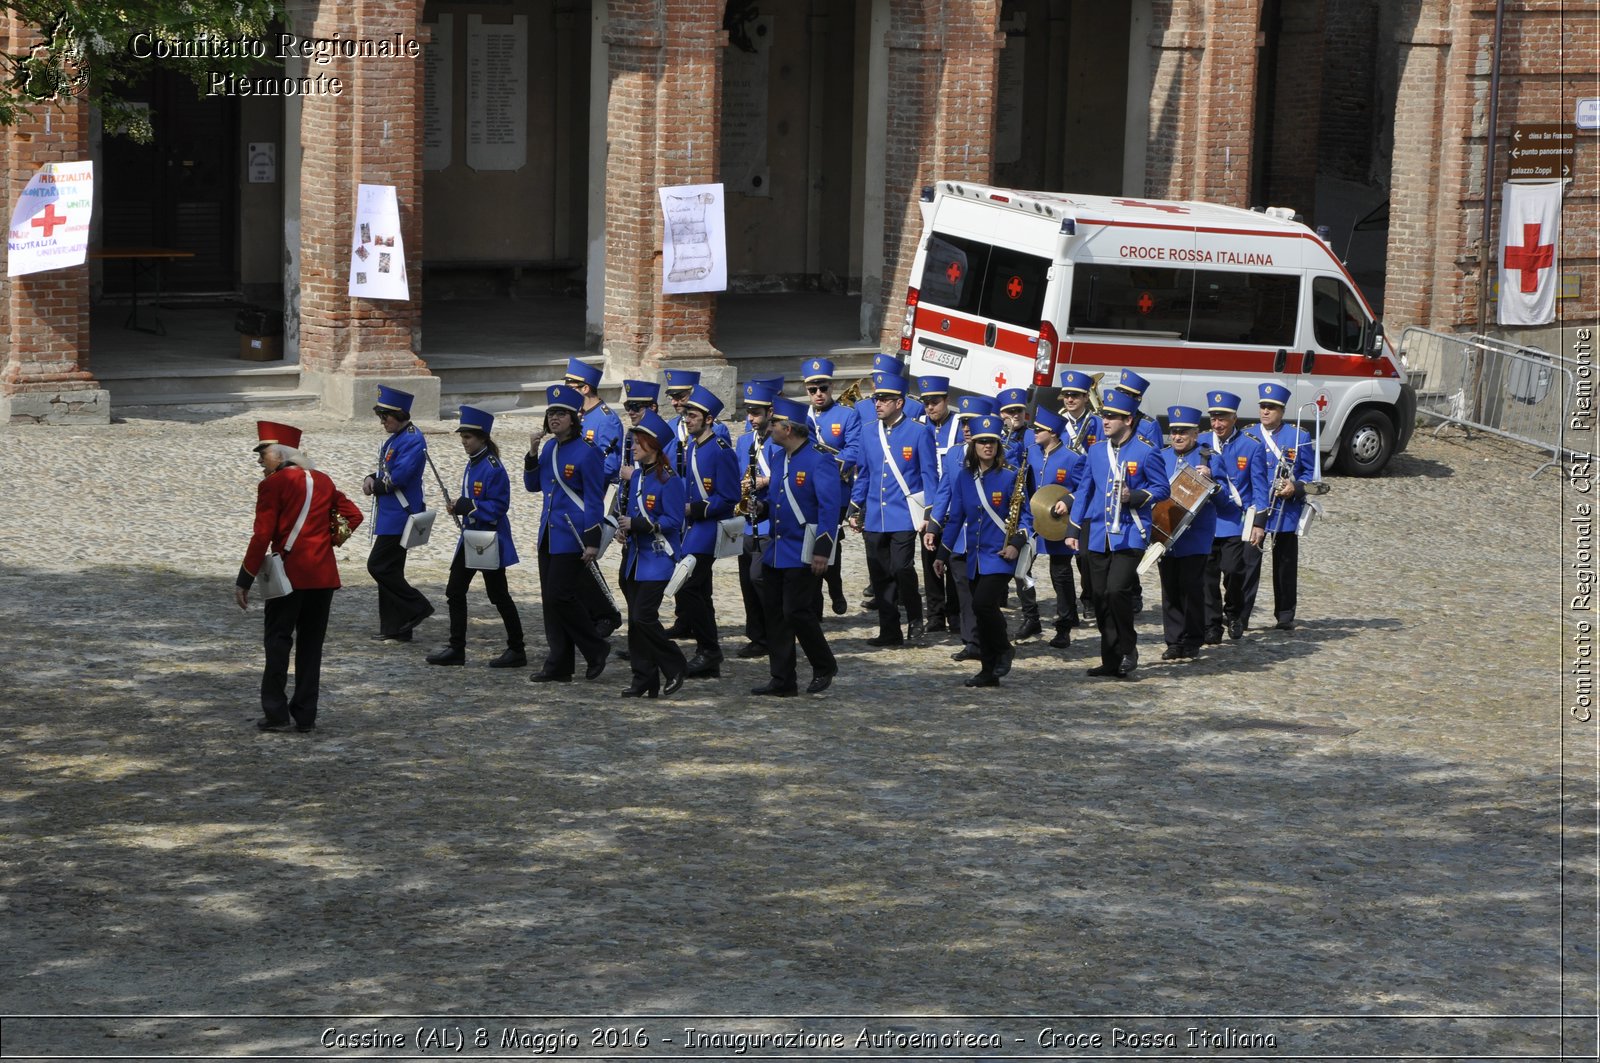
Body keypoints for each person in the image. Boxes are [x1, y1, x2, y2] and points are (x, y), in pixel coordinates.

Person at [236, 421, 364, 733]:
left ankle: (276, 712)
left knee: (278, 642)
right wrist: (328, 540)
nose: (259, 461)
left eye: (263, 454)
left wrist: (245, 578)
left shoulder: (272, 485)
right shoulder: (323, 480)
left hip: (288, 576)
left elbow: (262, 535)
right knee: (311, 646)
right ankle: (306, 715)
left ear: (280, 455)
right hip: (323, 576)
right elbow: (354, 515)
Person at [1066, 388, 1171, 679]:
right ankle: (1110, 659)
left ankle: (1128, 647)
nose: (1105, 421)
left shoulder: (1146, 450)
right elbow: (1085, 488)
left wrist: (1135, 495)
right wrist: (1073, 528)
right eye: (1103, 415)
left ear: (1128, 419)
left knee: (1116, 590)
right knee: (1099, 596)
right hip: (1099, 532)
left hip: (1130, 533)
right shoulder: (1097, 451)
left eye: (1111, 416)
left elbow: (1163, 489)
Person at [929, 414, 1034, 687]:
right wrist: (942, 554)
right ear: (973, 445)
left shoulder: (1011, 476)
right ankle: (988, 671)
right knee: (981, 611)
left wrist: (1015, 545)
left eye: (992, 442)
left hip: (1000, 554)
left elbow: (1026, 518)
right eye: (982, 442)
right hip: (975, 555)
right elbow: (957, 518)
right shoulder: (964, 477)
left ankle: (1004, 649)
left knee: (983, 604)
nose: (987, 446)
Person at [751, 396, 840, 696]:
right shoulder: (778, 458)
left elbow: (829, 509)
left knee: (796, 612)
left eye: (774, 423)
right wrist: (760, 508)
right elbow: (777, 501)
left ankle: (824, 664)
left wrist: (823, 551)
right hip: (777, 550)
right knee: (775, 615)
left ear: (788, 428)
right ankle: (782, 679)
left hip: (803, 550)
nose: (770, 427)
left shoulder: (819, 459)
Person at [524, 384, 612, 683]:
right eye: (551, 414)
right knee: (551, 601)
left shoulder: (588, 452)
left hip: (573, 535)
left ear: (574, 418)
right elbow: (533, 486)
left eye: (561, 414)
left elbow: (593, 500)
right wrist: (533, 453)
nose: (554, 419)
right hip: (549, 534)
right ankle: (559, 664)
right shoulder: (549, 448)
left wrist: (592, 541)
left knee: (561, 596)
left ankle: (596, 647)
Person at [426, 405, 525, 668]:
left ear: (482, 438)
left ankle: (517, 649)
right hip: (472, 537)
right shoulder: (474, 463)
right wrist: (458, 506)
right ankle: (456, 647)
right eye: (462, 438)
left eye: (468, 438)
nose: (464, 443)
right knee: (454, 591)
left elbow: (499, 507)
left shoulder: (493, 467)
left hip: (488, 540)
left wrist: (467, 506)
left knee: (499, 596)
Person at [849, 372, 936, 646]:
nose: (878, 404)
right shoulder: (867, 431)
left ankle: (914, 619)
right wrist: (855, 508)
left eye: (884, 399)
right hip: (875, 515)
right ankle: (889, 630)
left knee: (901, 569)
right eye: (876, 399)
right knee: (880, 574)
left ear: (899, 403)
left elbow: (929, 475)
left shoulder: (919, 432)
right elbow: (863, 474)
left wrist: (928, 515)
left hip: (903, 515)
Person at [615, 410, 689, 698]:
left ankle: (675, 665)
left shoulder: (669, 480)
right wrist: (626, 530)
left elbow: (674, 521)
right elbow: (633, 514)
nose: (632, 448)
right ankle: (643, 678)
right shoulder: (638, 478)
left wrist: (640, 524)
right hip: (634, 559)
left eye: (637, 443)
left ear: (652, 446)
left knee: (645, 617)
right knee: (635, 622)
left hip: (658, 561)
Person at [674, 383, 741, 678]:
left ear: (708, 419)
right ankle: (708, 652)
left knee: (688, 588)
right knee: (698, 591)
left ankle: (709, 650)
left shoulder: (720, 450)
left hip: (708, 530)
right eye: (687, 414)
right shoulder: (693, 447)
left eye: (693, 415)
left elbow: (729, 497)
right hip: (693, 529)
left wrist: (693, 509)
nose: (687, 419)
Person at [362, 385, 434, 642]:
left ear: (400, 415)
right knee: (390, 570)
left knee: (378, 566)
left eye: (386, 417)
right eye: (380, 417)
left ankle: (418, 606)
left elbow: (400, 476)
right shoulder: (398, 437)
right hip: (390, 514)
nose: (382, 422)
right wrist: (372, 477)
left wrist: (377, 485)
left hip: (401, 515)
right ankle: (397, 628)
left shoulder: (413, 438)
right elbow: (386, 470)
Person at [931, 394, 997, 662]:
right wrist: (933, 526)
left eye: (972, 422)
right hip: (959, 536)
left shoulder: (1000, 453)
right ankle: (972, 642)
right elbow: (944, 491)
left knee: (986, 594)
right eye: (965, 422)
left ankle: (992, 638)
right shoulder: (955, 453)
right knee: (964, 591)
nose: (967, 427)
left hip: (990, 535)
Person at [1246, 381, 1317, 631]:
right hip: (1257, 508)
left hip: (1285, 510)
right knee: (1249, 563)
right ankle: (1241, 616)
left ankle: (1285, 615)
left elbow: (1311, 475)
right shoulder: (1249, 434)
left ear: (1282, 411)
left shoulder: (1299, 436)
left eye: (1272, 408)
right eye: (1263, 407)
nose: (1266, 411)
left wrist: (1295, 487)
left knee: (1285, 565)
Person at [1199, 389, 1269, 642]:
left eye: (1223, 418)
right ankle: (1212, 625)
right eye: (1213, 418)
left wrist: (1259, 524)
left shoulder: (1251, 446)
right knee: (1207, 577)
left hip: (1237, 521)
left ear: (1234, 418)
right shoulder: (1202, 442)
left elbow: (1260, 488)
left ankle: (1235, 613)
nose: (1217, 424)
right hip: (1206, 522)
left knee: (1233, 572)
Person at [1157, 405, 1225, 660]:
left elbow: (1226, 501)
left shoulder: (1209, 458)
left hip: (1195, 536)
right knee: (1170, 588)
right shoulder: (1161, 456)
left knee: (1192, 588)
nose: (1177, 436)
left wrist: (1212, 482)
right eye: (1174, 431)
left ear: (1196, 434)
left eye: (1183, 432)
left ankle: (1193, 639)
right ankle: (1174, 641)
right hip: (1165, 531)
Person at [801, 356, 859, 616]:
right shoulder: (800, 417)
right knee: (809, 543)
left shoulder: (846, 415)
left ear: (831, 388)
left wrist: (827, 466)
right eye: (813, 390)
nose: (819, 394)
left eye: (823, 388)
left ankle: (834, 586)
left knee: (829, 541)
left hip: (836, 489)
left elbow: (854, 449)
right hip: (807, 491)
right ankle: (815, 605)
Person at [1029, 406, 1084, 648]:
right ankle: (1031, 616)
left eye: (1039, 429)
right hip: (1030, 521)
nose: (1034, 433)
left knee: (1060, 574)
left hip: (1057, 524)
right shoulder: (1029, 452)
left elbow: (1084, 489)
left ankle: (1065, 623)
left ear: (1052, 433)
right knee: (1021, 570)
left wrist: (1068, 500)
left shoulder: (1072, 458)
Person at [733, 380, 780, 660]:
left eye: (756, 413)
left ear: (770, 412)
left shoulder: (780, 439)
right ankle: (757, 637)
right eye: (749, 412)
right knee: (747, 582)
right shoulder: (743, 442)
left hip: (769, 520)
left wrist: (767, 480)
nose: (751, 418)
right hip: (745, 521)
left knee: (760, 578)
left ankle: (775, 632)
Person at [915, 374, 961, 634]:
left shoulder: (960, 424)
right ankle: (935, 613)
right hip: (928, 505)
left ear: (946, 400)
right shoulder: (920, 425)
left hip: (955, 504)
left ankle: (955, 613)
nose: (930, 407)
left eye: (935, 402)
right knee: (929, 559)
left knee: (954, 561)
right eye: (926, 403)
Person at [997, 387, 1043, 641]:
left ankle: (1031, 617)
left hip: (1024, 508)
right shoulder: (994, 436)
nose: (1014, 416)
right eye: (1009, 412)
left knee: (1022, 568)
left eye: (1018, 411)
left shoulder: (1030, 438)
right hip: (999, 509)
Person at [1059, 370, 1103, 621]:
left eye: (1075, 395)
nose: (1070, 400)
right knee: (1069, 552)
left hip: (1092, 493)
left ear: (1086, 397)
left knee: (1087, 554)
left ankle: (1089, 597)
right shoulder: (1058, 424)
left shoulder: (1098, 423)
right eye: (1066, 395)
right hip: (1066, 490)